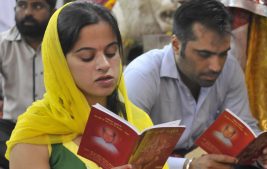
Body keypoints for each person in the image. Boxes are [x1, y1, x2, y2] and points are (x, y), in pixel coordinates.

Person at [124, 0, 267, 169]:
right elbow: (128, 152)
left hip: (205, 158)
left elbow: (243, 126)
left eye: (222, 54)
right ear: (176, 45)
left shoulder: (229, 67)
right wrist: (187, 165)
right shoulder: (142, 74)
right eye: (204, 54)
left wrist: (263, 152)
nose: (216, 66)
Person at [5, 2, 168, 169]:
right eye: (87, 56)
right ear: (59, 63)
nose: (104, 64)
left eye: (111, 53)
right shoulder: (36, 129)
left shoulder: (136, 121)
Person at [0, 0, 56, 168]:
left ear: (53, 11)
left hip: (55, 127)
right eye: (22, 5)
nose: (27, 13)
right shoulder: (3, 44)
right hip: (13, 126)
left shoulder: (63, 44)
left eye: (37, 6)